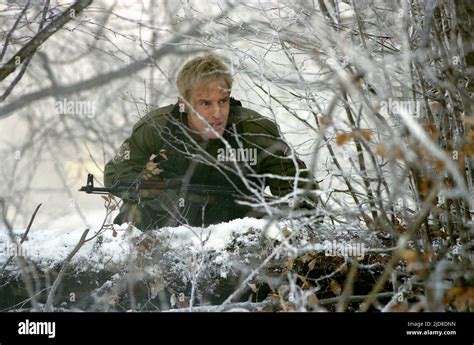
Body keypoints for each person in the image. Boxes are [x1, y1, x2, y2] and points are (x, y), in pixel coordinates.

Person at [104, 53, 317, 231]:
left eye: (223, 101)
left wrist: (287, 216)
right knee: (131, 213)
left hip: (240, 223)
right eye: (205, 103)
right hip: (171, 221)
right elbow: (115, 175)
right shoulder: (156, 128)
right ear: (184, 104)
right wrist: (144, 186)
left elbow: (299, 190)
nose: (217, 113)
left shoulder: (255, 131)